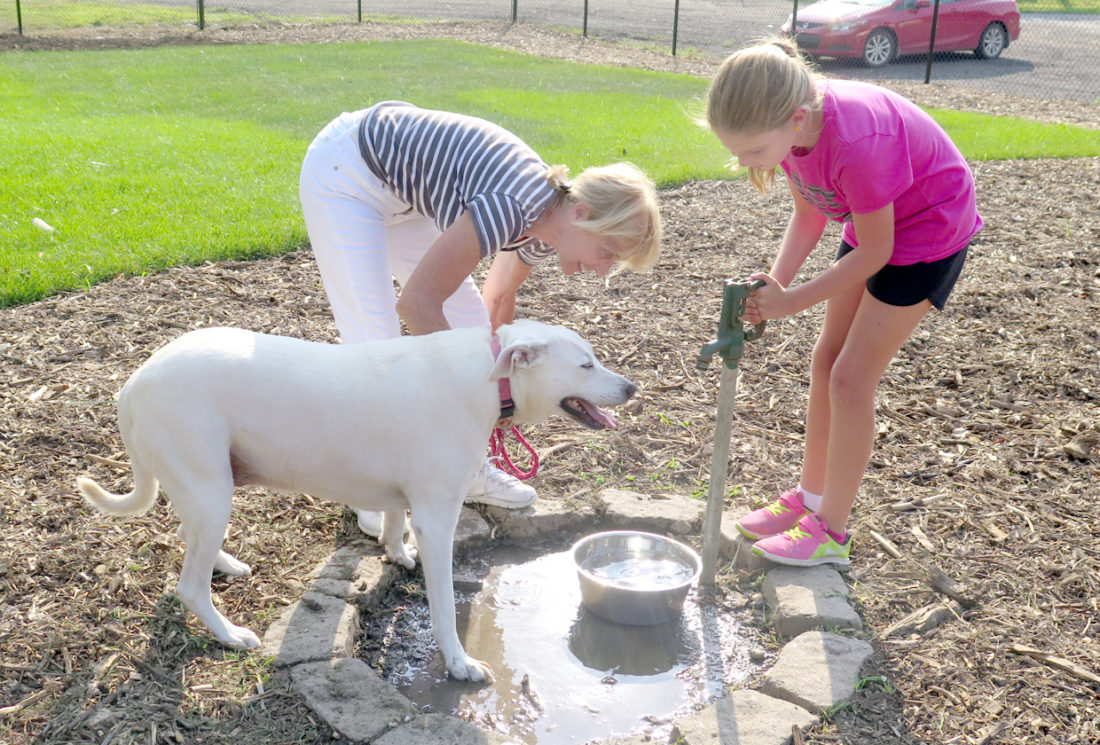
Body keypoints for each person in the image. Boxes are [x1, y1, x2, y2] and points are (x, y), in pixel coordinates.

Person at [299, 100, 662, 537]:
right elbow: (417, 304)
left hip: (399, 194)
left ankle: (467, 470)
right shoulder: (513, 205)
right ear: (581, 212)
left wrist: (497, 398)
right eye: (606, 252)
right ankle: (367, 488)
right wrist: (467, 398)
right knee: (375, 342)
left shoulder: (546, 226)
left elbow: (497, 301)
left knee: (468, 323)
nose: (603, 270)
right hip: (349, 171)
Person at [704, 40, 981, 566]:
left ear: (796, 118)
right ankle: (811, 498)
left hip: (929, 230)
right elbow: (810, 215)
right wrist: (774, 285)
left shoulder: (856, 142)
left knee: (852, 378)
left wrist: (790, 302)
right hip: (874, 220)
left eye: (753, 151)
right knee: (826, 360)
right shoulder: (793, 132)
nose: (744, 163)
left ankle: (831, 532)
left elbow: (877, 253)